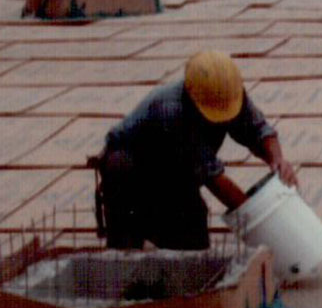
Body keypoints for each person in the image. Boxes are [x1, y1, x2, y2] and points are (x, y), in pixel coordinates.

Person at [92, 51, 298, 251]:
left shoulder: (229, 92)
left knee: (193, 247)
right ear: (192, 97)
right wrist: (267, 228)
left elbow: (259, 130)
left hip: (177, 169)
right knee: (128, 255)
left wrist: (277, 161)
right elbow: (214, 179)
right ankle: (128, 241)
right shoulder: (171, 112)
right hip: (135, 170)